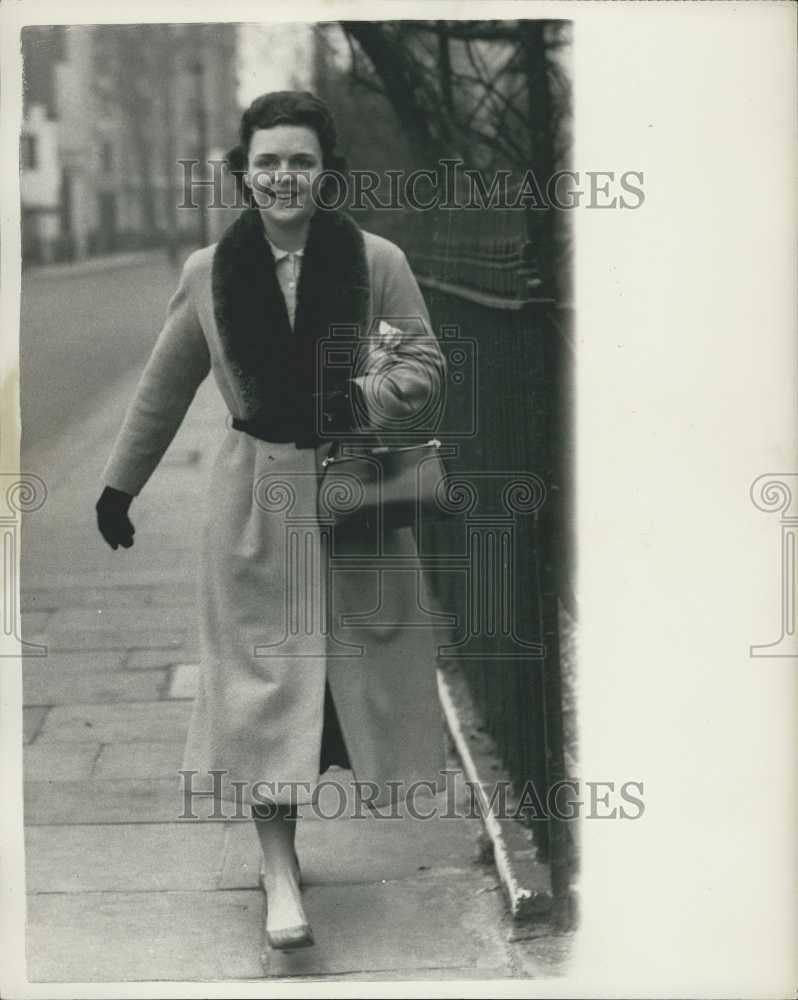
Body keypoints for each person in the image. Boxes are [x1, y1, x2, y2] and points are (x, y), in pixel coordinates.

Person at [95, 91, 448, 956]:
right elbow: (164, 388)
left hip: (354, 492)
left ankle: (303, 846)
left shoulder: (377, 261)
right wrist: (118, 488)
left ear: (325, 170)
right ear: (242, 174)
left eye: (299, 159)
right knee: (260, 694)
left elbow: (429, 371)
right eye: (267, 162)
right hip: (255, 506)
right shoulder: (207, 273)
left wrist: (355, 394)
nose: (283, 176)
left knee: (344, 685)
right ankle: (279, 872)